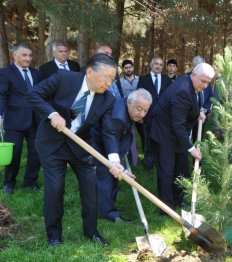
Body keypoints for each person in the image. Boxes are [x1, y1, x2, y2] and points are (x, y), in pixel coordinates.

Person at [28, 53, 124, 247]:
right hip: (52, 143)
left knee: (91, 188)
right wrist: (52, 113)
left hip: (80, 145)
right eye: (106, 77)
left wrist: (114, 159)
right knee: (55, 188)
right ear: (90, 72)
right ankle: (54, 236)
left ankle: (91, 231)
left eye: (112, 79)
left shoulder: (107, 99)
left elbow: (108, 131)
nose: (109, 83)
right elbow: (34, 94)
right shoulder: (64, 78)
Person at [149, 63, 214, 212]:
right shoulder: (182, 91)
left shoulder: (189, 81)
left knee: (181, 168)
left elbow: (190, 105)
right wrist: (191, 149)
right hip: (163, 133)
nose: (205, 85)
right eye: (202, 81)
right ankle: (167, 207)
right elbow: (177, 125)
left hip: (176, 132)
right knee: (167, 171)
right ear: (193, 75)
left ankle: (178, 200)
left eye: (208, 83)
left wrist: (198, 113)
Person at [93, 88, 152, 222]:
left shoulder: (128, 107)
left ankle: (108, 207)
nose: (142, 114)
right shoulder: (118, 116)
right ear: (129, 102)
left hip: (110, 144)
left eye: (145, 110)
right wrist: (119, 166)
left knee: (114, 177)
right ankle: (107, 213)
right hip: (99, 145)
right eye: (139, 109)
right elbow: (111, 138)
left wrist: (122, 167)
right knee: (105, 177)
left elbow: (121, 137)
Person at [0, 42, 41, 195]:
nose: (28, 58)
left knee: (36, 152)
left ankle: (30, 181)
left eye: (30, 55)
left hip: (35, 120)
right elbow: (1, 95)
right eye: (24, 55)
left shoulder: (36, 73)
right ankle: (9, 183)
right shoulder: (5, 73)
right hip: (14, 120)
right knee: (15, 153)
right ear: (14, 55)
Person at [137, 57, 172, 170]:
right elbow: (139, 96)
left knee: (162, 139)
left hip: (163, 117)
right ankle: (148, 163)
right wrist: (141, 114)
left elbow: (171, 97)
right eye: (156, 64)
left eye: (161, 65)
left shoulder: (167, 80)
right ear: (151, 65)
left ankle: (160, 161)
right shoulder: (143, 79)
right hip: (148, 115)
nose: (158, 66)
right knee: (148, 139)